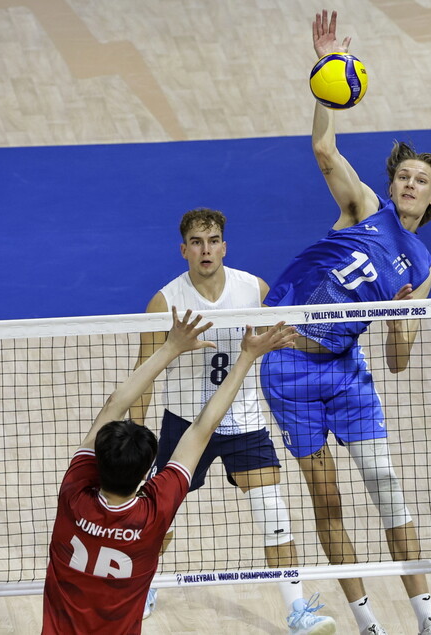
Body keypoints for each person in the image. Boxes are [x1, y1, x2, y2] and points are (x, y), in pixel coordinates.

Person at [259, 11, 431, 635]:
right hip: (288, 364)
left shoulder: (423, 267)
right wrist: (324, 78)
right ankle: (367, 622)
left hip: (347, 374)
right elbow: (324, 148)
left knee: (385, 485)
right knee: (328, 500)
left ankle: (427, 619)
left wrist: (399, 321)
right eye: (403, 173)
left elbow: (399, 359)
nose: (407, 182)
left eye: (419, 181)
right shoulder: (364, 208)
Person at [129, 208, 333, 634]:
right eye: (197, 243)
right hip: (185, 426)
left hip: (243, 422)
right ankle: (142, 584)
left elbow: (287, 341)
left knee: (273, 513)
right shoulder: (165, 302)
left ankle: (297, 611)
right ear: (184, 249)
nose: (207, 250)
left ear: (224, 245)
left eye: (214, 240)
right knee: (159, 516)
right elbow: (144, 371)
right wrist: (135, 428)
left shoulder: (253, 289)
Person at [41, 309, 296, 635]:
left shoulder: (74, 493)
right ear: (147, 470)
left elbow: (113, 405)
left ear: (96, 463)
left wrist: (169, 347)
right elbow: (203, 429)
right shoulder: (153, 511)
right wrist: (246, 357)